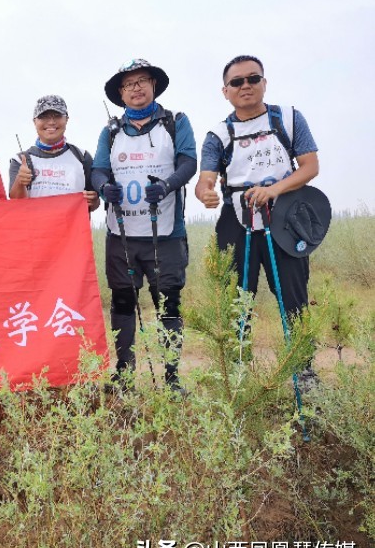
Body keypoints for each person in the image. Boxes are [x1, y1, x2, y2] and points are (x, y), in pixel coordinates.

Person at [195, 55, 321, 389]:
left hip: (286, 219)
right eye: (237, 82)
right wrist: (205, 191)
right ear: (225, 91)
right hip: (237, 222)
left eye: (253, 78)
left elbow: (309, 167)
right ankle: (238, 370)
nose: (246, 86)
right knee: (238, 298)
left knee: (293, 296)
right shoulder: (219, 134)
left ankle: (304, 370)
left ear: (264, 82)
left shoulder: (289, 119)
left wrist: (274, 189)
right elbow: (205, 177)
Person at [92, 59, 197, 393]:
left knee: (167, 301)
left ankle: (171, 377)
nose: (136, 88)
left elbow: (189, 162)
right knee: (122, 300)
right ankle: (124, 374)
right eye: (128, 84)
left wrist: (167, 185)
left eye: (142, 81)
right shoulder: (110, 131)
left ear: (153, 85)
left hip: (165, 233)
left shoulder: (175, 122)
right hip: (121, 233)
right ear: (120, 94)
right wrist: (101, 187)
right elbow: (97, 169)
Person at [8, 94, 100, 212]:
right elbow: (16, 203)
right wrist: (20, 182)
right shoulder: (20, 160)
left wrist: (94, 200)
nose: (51, 122)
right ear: (35, 121)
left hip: (71, 230)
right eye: (44, 116)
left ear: (66, 119)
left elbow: (93, 203)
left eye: (57, 116)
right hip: (34, 229)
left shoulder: (82, 157)